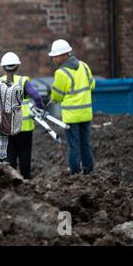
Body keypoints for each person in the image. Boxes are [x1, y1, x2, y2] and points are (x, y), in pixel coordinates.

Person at [48, 39, 95, 175]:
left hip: (72, 117)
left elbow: (57, 95)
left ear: (64, 55)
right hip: (86, 113)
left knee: (74, 146)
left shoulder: (61, 73)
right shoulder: (84, 66)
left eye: (56, 56)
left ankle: (75, 173)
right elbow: (92, 85)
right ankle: (89, 171)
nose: (54, 59)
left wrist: (54, 99)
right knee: (85, 144)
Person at [0, 52, 45, 179]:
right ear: (17, 66)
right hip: (24, 127)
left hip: (7, 127)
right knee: (25, 154)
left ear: (3, 67)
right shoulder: (23, 81)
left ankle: (11, 179)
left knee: (9, 155)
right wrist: (39, 108)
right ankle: (26, 180)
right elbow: (36, 97)